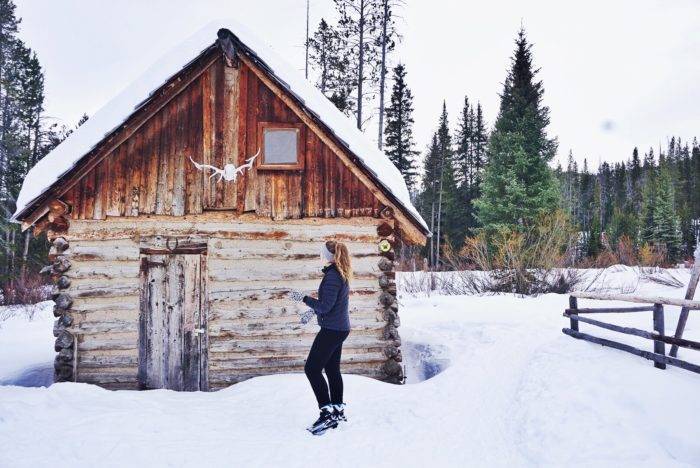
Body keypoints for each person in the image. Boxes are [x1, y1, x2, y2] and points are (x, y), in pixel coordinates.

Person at [289, 240, 352, 435]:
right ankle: (338, 410)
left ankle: (327, 414)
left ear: (331, 255)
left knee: (312, 369)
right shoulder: (337, 272)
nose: (321, 254)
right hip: (338, 328)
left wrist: (304, 299)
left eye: (323, 251)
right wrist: (313, 314)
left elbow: (325, 306)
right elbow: (331, 305)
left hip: (332, 330)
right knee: (332, 369)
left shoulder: (333, 276)